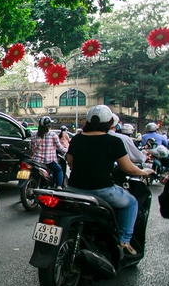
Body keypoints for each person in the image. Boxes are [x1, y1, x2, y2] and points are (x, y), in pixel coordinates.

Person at [66, 105, 154, 255]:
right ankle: (124, 241)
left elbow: (71, 163)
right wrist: (144, 172)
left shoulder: (77, 139)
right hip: (103, 190)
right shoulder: (113, 141)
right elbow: (129, 168)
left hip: (74, 189)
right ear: (110, 123)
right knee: (131, 202)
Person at [31, 116, 67, 189]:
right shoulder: (53, 135)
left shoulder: (34, 135)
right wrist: (66, 150)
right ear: (48, 126)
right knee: (59, 170)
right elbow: (60, 148)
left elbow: (31, 147)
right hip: (49, 161)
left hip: (36, 161)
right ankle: (59, 186)